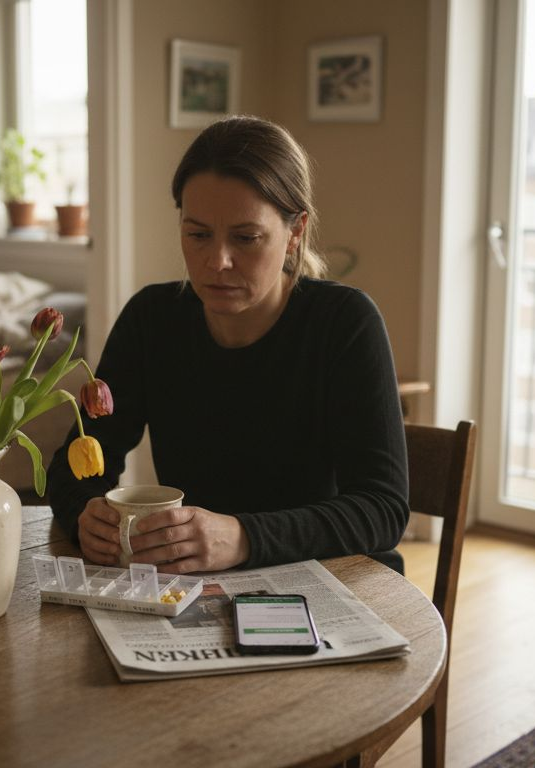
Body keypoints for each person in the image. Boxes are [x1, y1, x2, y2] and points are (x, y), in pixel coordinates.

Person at [46, 115, 409, 574]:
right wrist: (87, 514)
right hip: (194, 583)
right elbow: (75, 468)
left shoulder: (343, 323)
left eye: (246, 238)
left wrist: (242, 537)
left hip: (332, 577)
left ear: (295, 231)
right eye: (198, 234)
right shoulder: (152, 319)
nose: (217, 261)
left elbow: (381, 509)